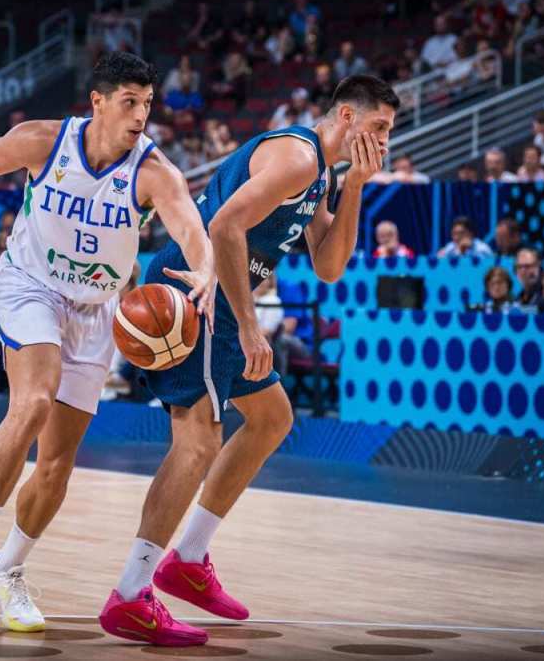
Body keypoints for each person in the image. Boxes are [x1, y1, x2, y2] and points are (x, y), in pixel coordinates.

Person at [0, 51, 215, 633]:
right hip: (31, 286)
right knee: (31, 403)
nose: (140, 116)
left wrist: (204, 269)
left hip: (97, 311)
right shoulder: (44, 143)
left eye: (148, 104)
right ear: (98, 102)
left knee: (56, 465)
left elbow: (190, 228)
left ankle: (8, 568)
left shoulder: (154, 172)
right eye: (129, 102)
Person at [99, 75, 398, 647]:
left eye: (389, 130)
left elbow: (329, 266)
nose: (384, 139)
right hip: (193, 293)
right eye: (379, 126)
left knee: (272, 418)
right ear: (346, 116)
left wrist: (356, 184)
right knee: (197, 443)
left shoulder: (322, 173)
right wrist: (250, 324)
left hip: (225, 298)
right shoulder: (297, 158)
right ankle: (131, 594)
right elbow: (223, 226)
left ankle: (188, 560)